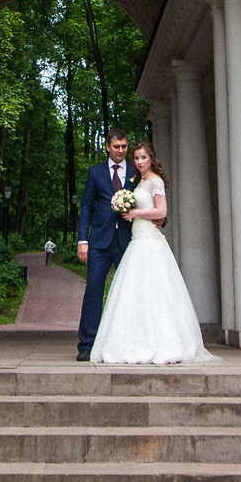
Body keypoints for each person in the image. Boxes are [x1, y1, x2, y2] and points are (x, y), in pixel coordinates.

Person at [88, 141, 213, 365]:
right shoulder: (139, 181)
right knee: (135, 294)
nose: (139, 162)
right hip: (137, 241)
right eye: (136, 158)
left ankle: (165, 344)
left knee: (157, 291)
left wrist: (135, 212)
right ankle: (135, 342)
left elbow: (161, 211)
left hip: (151, 242)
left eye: (143, 157)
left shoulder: (155, 181)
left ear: (152, 158)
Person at [74, 130, 136, 360]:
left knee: (129, 292)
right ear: (108, 147)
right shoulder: (96, 173)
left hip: (127, 242)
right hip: (99, 243)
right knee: (93, 291)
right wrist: (83, 240)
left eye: (124, 146)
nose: (121, 150)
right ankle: (87, 345)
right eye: (117, 146)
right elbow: (87, 206)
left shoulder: (135, 171)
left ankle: (129, 343)